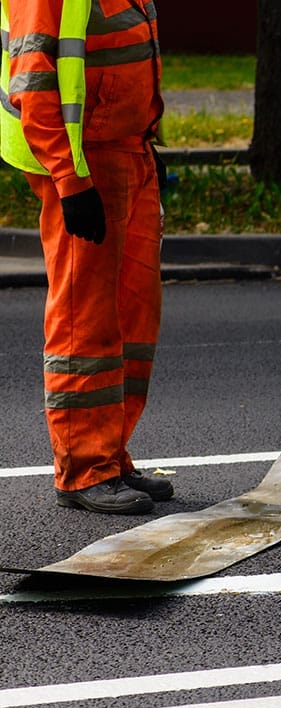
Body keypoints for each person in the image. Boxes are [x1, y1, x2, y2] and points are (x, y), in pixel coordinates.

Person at [0, 0, 172, 514]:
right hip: (83, 157)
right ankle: (82, 469)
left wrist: (149, 139)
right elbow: (32, 78)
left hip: (128, 149)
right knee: (85, 316)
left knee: (133, 312)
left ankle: (111, 454)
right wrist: (70, 181)